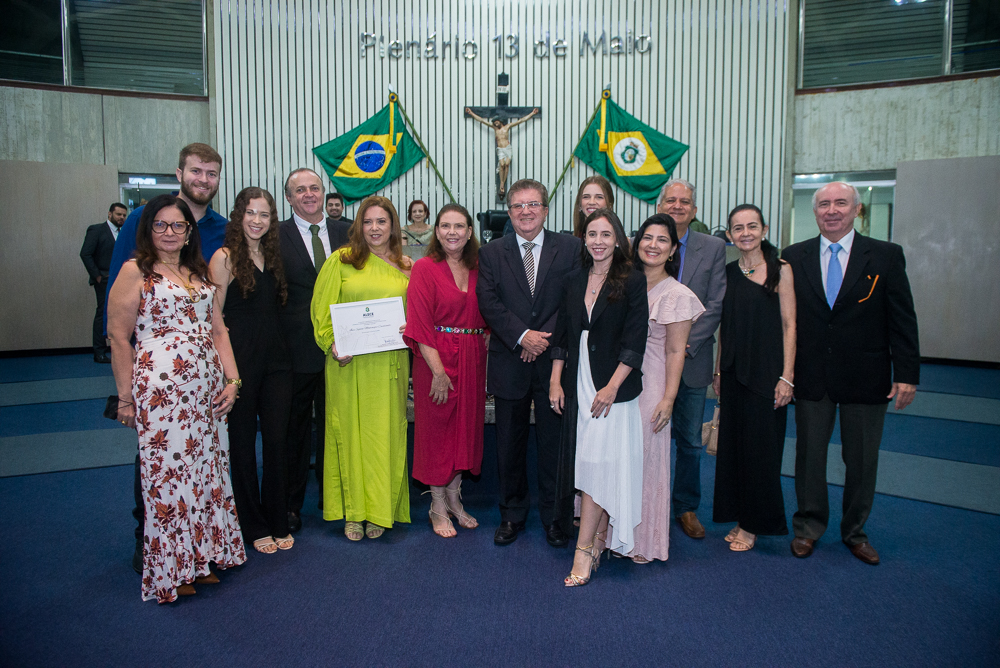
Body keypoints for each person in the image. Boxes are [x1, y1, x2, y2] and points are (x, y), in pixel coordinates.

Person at [107, 194, 245, 603]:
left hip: (205, 392)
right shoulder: (136, 270)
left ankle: (200, 559)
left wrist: (233, 380)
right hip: (162, 393)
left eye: (178, 226)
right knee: (168, 480)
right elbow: (118, 336)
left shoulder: (197, 272)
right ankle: (173, 569)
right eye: (161, 225)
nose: (170, 232)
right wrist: (125, 398)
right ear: (148, 230)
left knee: (205, 474)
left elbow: (218, 330)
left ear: (189, 233)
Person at [782, 182, 919, 565]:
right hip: (812, 375)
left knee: (861, 460)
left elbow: (902, 319)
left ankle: (855, 532)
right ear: (814, 212)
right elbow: (786, 321)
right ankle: (808, 528)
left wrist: (907, 372)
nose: (831, 210)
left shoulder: (886, 257)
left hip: (867, 374)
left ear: (856, 210)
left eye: (840, 203)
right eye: (824, 204)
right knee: (809, 457)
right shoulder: (794, 256)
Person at [476, 178, 582, 547]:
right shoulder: (491, 253)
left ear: (546, 209)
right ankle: (511, 515)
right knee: (509, 444)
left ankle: (556, 518)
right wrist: (523, 336)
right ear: (509, 212)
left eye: (533, 204)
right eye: (518, 205)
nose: (525, 211)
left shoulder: (570, 248)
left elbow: (574, 300)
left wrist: (541, 340)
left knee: (555, 445)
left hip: (555, 362)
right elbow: (488, 302)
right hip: (510, 359)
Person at [549, 208, 648, 586]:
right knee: (592, 463)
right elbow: (562, 336)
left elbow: (635, 340)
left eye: (606, 234)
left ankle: (584, 549)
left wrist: (613, 386)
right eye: (592, 234)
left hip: (613, 391)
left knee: (597, 465)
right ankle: (596, 541)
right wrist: (556, 381)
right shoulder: (573, 280)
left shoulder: (632, 281)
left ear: (618, 239)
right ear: (583, 239)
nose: (599, 241)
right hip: (579, 385)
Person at [310, 195, 413, 541]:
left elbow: (418, 315)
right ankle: (353, 511)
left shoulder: (407, 267)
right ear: (358, 226)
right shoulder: (341, 261)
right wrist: (331, 344)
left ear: (392, 226)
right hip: (347, 364)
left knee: (385, 437)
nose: (374, 229)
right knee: (350, 436)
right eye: (367, 222)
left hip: (389, 367)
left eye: (381, 222)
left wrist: (409, 327)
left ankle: (380, 512)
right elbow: (321, 311)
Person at [209, 187, 294, 554]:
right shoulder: (224, 258)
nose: (257, 221)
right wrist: (231, 375)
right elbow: (214, 320)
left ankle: (277, 517)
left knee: (278, 443)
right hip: (239, 363)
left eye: (264, 215)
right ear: (238, 215)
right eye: (251, 213)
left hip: (278, 362)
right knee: (242, 446)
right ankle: (252, 523)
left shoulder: (274, 257)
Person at [711, 204, 796, 552]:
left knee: (762, 452)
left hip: (767, 374)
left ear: (764, 229)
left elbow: (791, 325)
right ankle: (740, 517)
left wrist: (787, 377)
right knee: (734, 450)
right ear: (729, 234)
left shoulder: (781, 270)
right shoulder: (728, 272)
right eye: (737, 228)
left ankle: (754, 525)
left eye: (751, 226)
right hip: (732, 373)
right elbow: (723, 327)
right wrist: (718, 370)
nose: (745, 233)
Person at [403, 204, 486, 538]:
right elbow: (420, 323)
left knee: (464, 430)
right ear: (436, 231)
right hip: (435, 359)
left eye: (460, 226)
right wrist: (438, 371)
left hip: (473, 358)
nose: (453, 232)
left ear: (469, 232)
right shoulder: (424, 267)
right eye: (446, 226)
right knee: (437, 432)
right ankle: (437, 505)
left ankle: (455, 498)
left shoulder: (480, 268)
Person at [278, 168, 352, 534]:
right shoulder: (276, 235)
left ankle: (333, 498)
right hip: (295, 350)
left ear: (324, 192)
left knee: (337, 426)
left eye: (314, 188)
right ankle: (291, 504)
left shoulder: (349, 232)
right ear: (289, 198)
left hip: (347, 348)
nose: (308, 194)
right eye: (299, 190)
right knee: (294, 430)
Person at [628, 213, 705, 563]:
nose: (653, 245)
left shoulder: (677, 294)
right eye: (648, 237)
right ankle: (609, 534)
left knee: (646, 459)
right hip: (617, 381)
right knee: (619, 458)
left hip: (653, 383)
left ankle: (644, 541)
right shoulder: (624, 283)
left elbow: (676, 350)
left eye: (662, 240)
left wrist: (669, 398)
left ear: (673, 250)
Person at [655, 178, 726, 540]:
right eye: (671, 200)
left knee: (689, 440)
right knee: (647, 437)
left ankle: (685, 506)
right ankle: (648, 503)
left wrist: (681, 347)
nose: (677, 206)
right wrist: (658, 349)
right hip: (650, 363)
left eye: (685, 202)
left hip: (692, 359)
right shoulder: (645, 242)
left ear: (694, 211)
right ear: (659, 206)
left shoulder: (713, 248)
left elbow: (715, 306)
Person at [81, 202, 126, 363]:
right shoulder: (97, 230)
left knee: (121, 314)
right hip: (104, 279)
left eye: (123, 215)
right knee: (102, 314)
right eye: (118, 214)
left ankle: (119, 350)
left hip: (122, 279)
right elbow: (85, 254)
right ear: (109, 214)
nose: (121, 217)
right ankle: (99, 352)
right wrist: (97, 276)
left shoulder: (124, 233)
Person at [465, 107, 540, 198]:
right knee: (501, 164)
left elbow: (521, 121)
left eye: (497, 122)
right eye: (494, 123)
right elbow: (481, 120)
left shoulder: (507, 127)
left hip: (507, 148)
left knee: (507, 164)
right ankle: (501, 184)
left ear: (500, 121)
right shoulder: (495, 129)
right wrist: (471, 113)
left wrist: (532, 113)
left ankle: (503, 184)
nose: (495, 123)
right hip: (500, 149)